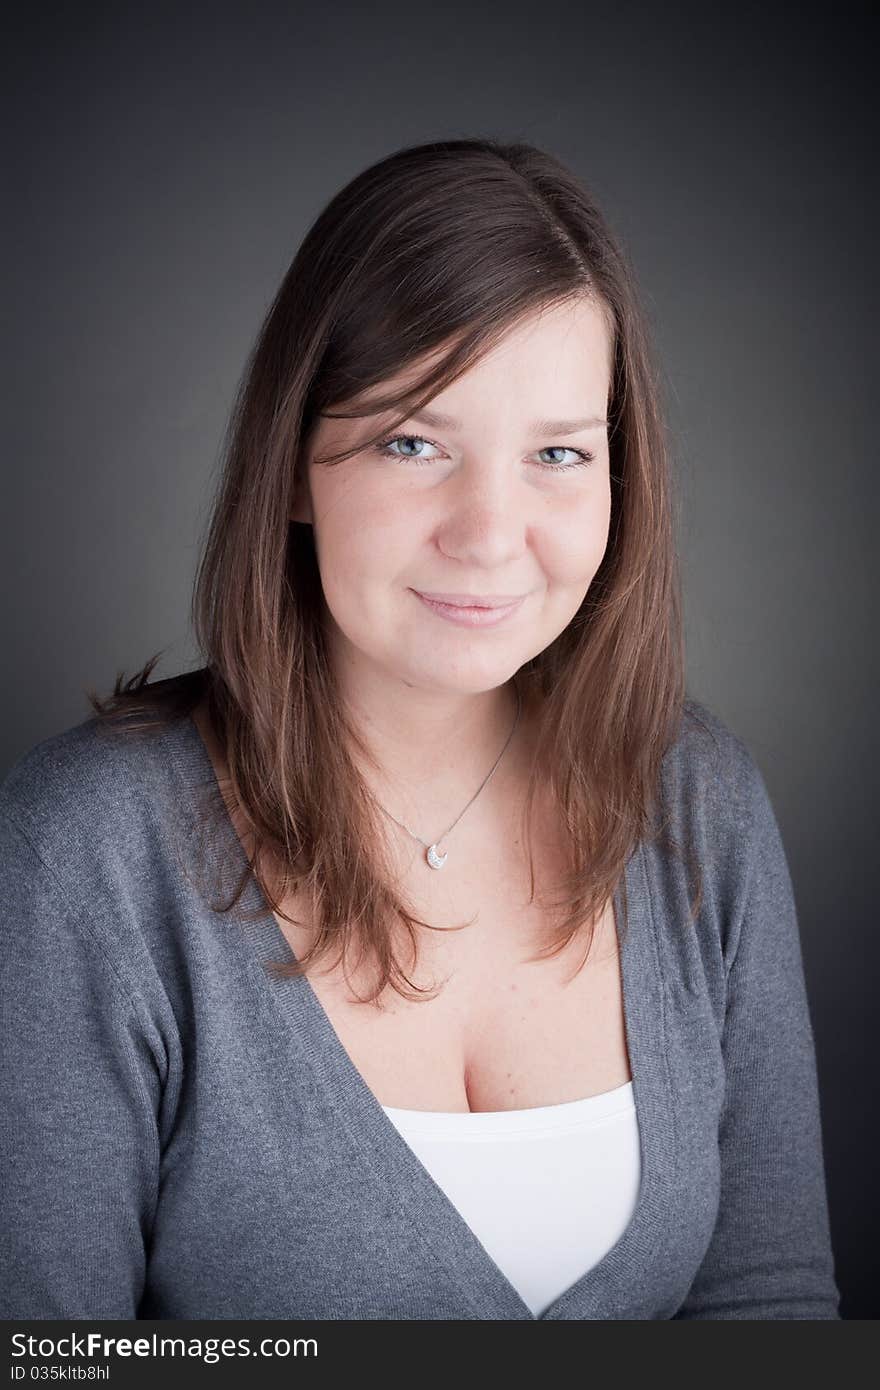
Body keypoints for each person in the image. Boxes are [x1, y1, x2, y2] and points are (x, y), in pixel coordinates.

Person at [0, 137, 841, 1320]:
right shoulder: (82, 850)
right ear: (294, 465)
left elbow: (768, 1303)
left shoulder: (695, 800)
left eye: (558, 453)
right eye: (413, 442)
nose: (490, 533)